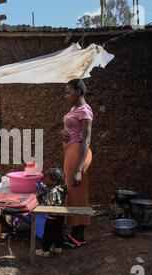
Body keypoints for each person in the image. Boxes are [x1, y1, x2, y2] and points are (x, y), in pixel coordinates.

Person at [61, 79, 93, 247]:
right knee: (72, 193)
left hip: (79, 152)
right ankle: (74, 232)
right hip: (71, 151)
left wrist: (79, 170)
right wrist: (64, 134)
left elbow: (86, 141)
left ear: (78, 92)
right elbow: (72, 130)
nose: (66, 95)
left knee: (78, 194)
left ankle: (78, 237)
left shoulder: (85, 111)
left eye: (69, 92)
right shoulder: (74, 109)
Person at [35, 168, 72, 257]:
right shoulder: (62, 187)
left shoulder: (52, 192)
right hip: (61, 215)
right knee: (58, 232)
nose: (45, 179)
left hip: (52, 216)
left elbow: (48, 204)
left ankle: (45, 251)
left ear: (53, 181)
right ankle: (58, 247)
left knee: (48, 234)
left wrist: (40, 195)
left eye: (47, 178)